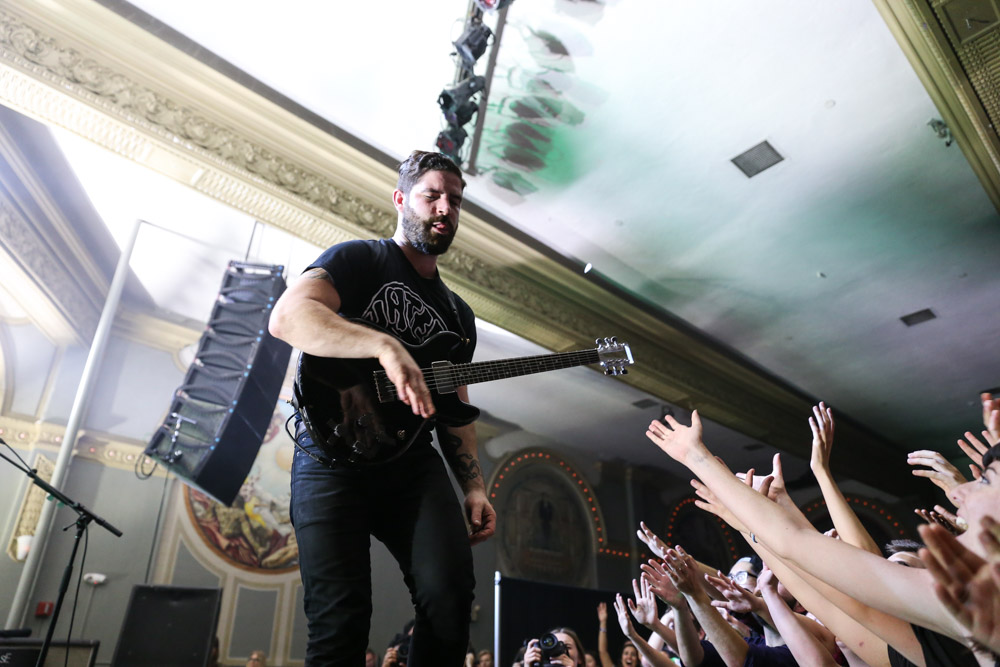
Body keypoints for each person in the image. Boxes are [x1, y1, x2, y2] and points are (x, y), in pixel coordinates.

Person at [269, 150, 497, 666]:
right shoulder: (358, 260)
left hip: (410, 466)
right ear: (400, 200)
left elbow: (456, 411)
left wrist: (475, 486)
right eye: (432, 195)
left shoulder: (459, 316)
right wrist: (384, 346)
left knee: (451, 598)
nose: (445, 209)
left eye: (455, 201)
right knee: (339, 625)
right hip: (329, 461)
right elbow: (288, 318)